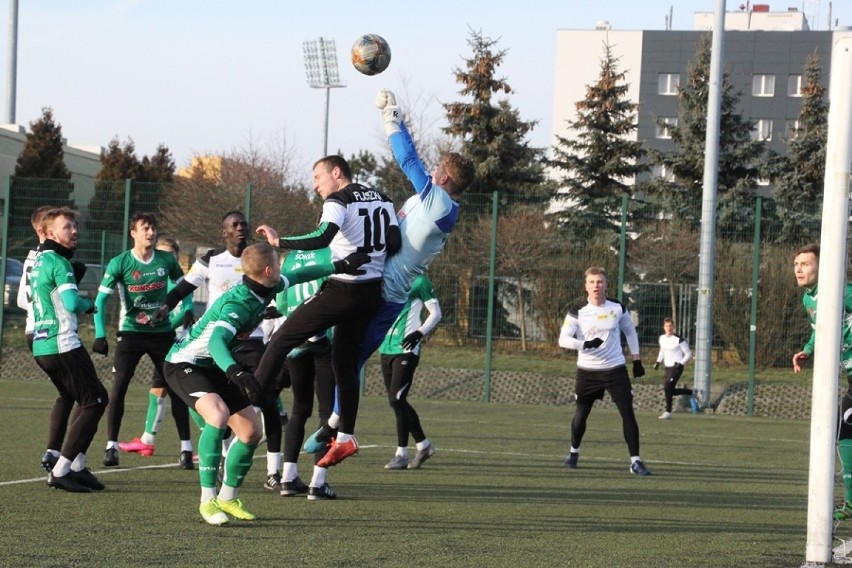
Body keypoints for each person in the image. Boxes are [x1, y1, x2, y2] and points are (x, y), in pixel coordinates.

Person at [302, 88, 475, 457]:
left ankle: (337, 427)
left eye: (437, 169)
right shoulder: (431, 203)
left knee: (346, 359)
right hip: (380, 285)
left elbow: (407, 158)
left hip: (385, 295)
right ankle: (334, 424)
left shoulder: (439, 202)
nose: (431, 170)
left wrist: (391, 117)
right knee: (346, 358)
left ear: (444, 179)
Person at [162, 242, 368, 525]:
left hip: (214, 366)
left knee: (250, 432)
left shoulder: (267, 285)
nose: (283, 270)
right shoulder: (238, 303)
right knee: (218, 414)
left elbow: (300, 275)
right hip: (185, 364)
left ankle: (228, 498)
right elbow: (215, 341)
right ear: (268, 270)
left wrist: (340, 267)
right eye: (278, 265)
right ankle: (207, 501)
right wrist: (236, 372)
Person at [254, 154, 401, 469]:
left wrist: (282, 242)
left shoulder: (339, 200)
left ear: (337, 173)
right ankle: (346, 436)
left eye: (318, 177)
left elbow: (323, 237)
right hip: (371, 293)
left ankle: (250, 395)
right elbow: (395, 242)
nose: (316, 185)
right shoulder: (385, 199)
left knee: (282, 336)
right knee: (344, 367)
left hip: (343, 289)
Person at [153, 211, 288, 473]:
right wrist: (165, 306)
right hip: (217, 343)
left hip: (251, 340)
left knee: (267, 399)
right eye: (234, 225)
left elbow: (271, 291)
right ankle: (222, 457)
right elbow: (183, 288)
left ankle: (275, 471)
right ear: (223, 232)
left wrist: (265, 311)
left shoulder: (258, 259)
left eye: (244, 224)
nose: (240, 228)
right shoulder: (211, 260)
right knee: (218, 412)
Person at [93, 213, 192, 469]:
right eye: (145, 228)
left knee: (177, 387)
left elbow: (184, 290)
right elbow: (100, 301)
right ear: (133, 233)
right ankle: (111, 446)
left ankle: (185, 449)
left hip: (162, 334)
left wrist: (186, 312)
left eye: (153, 228)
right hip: (131, 334)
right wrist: (100, 335)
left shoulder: (167, 260)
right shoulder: (120, 262)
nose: (151, 233)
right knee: (119, 386)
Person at [30, 207, 109, 492]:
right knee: (95, 400)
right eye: (67, 227)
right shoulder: (58, 261)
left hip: (43, 344)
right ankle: (62, 469)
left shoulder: (40, 260)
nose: (74, 230)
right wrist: (90, 303)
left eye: (75, 226)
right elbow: (72, 304)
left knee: (86, 398)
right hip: (61, 341)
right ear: (50, 232)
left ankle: (76, 466)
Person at [558, 266, 651, 476]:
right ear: (586, 286)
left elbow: (630, 331)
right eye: (592, 282)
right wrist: (585, 345)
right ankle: (574, 452)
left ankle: (635, 462)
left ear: (606, 285)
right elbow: (563, 339)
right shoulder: (577, 310)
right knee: (581, 414)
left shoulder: (617, 307)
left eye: (599, 282)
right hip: (588, 372)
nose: (596, 286)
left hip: (615, 370)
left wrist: (636, 360)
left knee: (628, 412)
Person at [268, 247, 339, 500]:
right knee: (327, 413)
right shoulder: (332, 253)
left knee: (299, 409)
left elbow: (282, 304)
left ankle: (288, 478)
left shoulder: (292, 258)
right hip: (323, 341)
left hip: (295, 341)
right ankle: (318, 483)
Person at [16, 205, 81, 473]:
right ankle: (73, 461)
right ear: (46, 231)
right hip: (52, 332)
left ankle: (53, 452)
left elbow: (22, 299)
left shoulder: (32, 259)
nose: (72, 230)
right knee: (89, 398)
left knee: (67, 394)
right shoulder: (50, 259)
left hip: (33, 332)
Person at [791, 243, 852, 522]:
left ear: (823, 266)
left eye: (805, 263)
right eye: (796, 265)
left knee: (845, 430)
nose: (799, 269)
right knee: (845, 432)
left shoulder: (843, 292)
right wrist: (807, 350)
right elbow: (820, 332)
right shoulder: (809, 299)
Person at [379, 273, 442, 470]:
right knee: (397, 401)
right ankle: (423, 446)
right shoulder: (384, 276)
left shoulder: (419, 280)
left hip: (407, 348)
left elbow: (436, 313)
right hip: (385, 348)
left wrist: (419, 333)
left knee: (396, 399)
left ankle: (402, 453)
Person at [654, 318, 694, 420]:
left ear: (674, 327)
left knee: (667, 386)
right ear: (664, 327)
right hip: (667, 367)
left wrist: (680, 363)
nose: (669, 328)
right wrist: (658, 362)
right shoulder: (662, 338)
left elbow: (688, 354)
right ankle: (690, 392)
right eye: (667, 326)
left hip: (676, 367)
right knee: (669, 390)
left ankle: (668, 412)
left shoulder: (679, 339)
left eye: (670, 326)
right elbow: (662, 350)